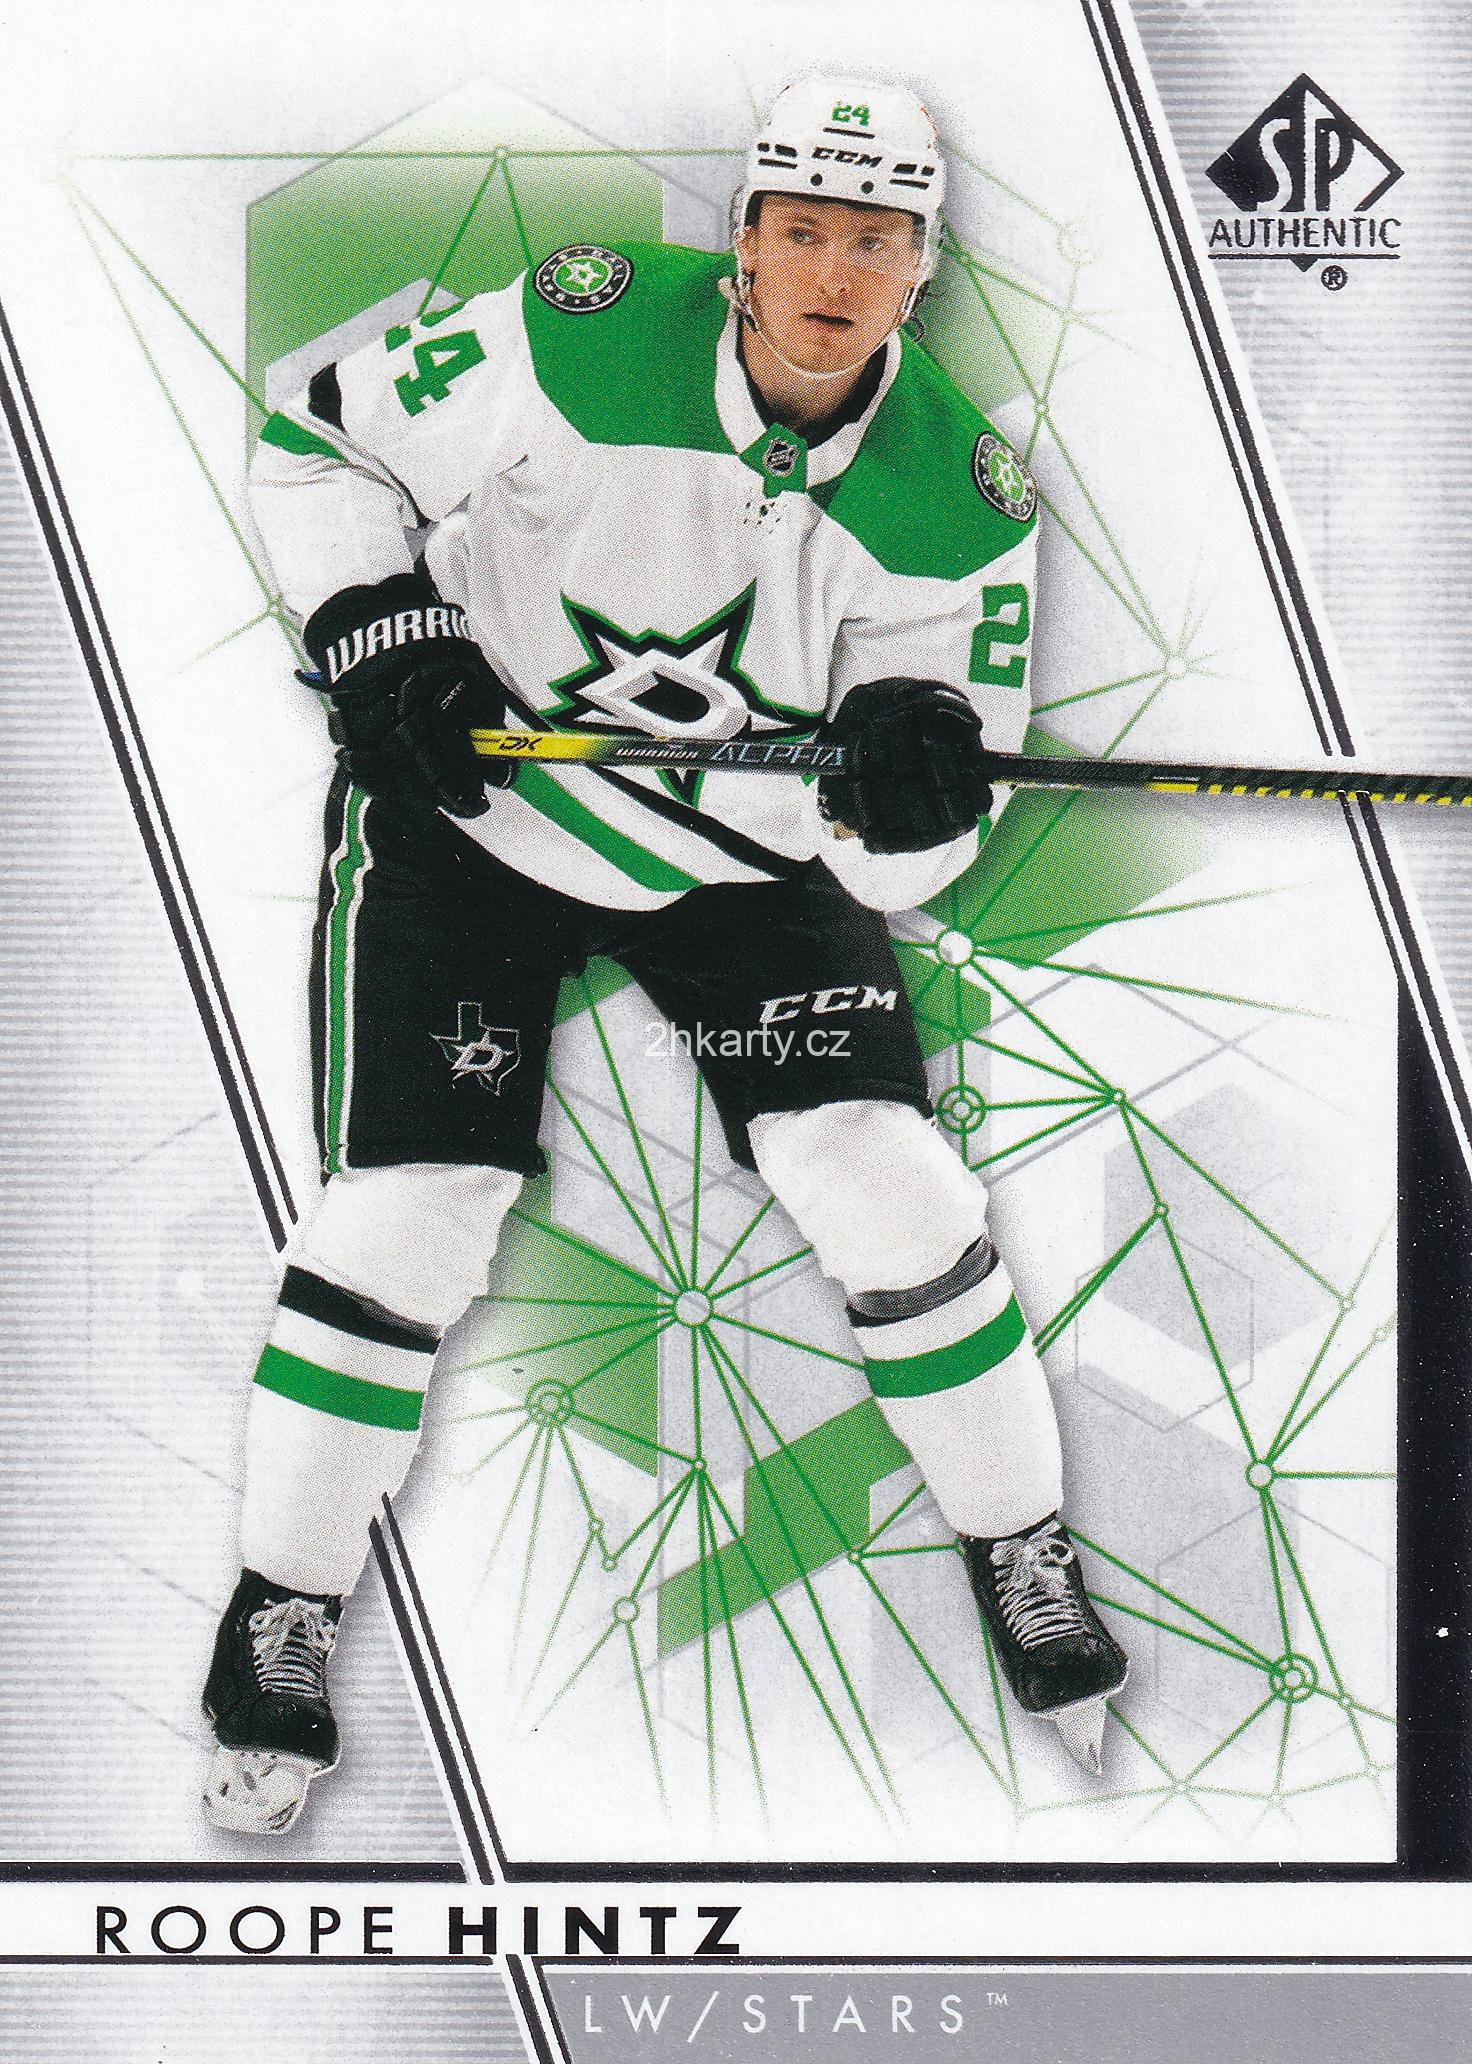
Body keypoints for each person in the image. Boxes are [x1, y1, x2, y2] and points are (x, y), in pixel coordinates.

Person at [203, 74, 1128, 1835]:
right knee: (412, 1209)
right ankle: (282, 1604)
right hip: (480, 815)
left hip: (740, 864)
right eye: (804, 231)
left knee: (891, 1188)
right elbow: (318, 436)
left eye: (876, 241)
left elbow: (918, 860)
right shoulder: (582, 331)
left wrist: (911, 779)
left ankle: (1020, 1545)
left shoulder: (969, 501)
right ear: (745, 239)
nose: (834, 273)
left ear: (923, 266)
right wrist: (380, 624)